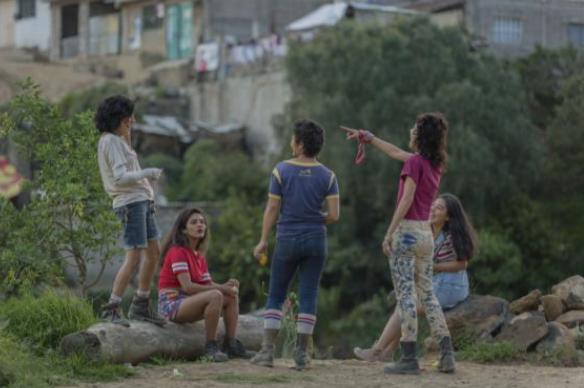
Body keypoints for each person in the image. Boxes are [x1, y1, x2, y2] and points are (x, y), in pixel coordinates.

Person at [342, 113, 455, 375]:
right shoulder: (432, 164)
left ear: (420, 135)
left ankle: (408, 358)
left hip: (406, 233)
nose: (410, 130)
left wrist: (388, 233)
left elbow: (406, 201)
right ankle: (447, 354)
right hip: (426, 235)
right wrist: (369, 139)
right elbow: (394, 152)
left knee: (406, 296)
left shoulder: (415, 164)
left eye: (414, 128)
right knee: (427, 295)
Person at [251, 119, 340, 370]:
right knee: (309, 293)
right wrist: (314, 218)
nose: (291, 143)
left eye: (293, 139)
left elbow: (272, 208)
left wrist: (262, 240)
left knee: (277, 293)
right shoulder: (328, 175)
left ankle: (267, 352)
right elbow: (334, 215)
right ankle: (302, 354)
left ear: (300, 144)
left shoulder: (281, 170)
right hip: (316, 239)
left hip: (287, 237)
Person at [353, 193, 477, 362]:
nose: (433, 210)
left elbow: (462, 264)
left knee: (405, 306)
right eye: (433, 205)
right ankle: (387, 352)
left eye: (439, 208)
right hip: (434, 282)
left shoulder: (451, 236)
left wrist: (434, 267)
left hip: (451, 286)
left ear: (448, 217)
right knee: (406, 304)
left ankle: (377, 350)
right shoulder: (425, 230)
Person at [96, 95, 165, 326]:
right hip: (130, 203)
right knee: (134, 255)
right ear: (120, 118)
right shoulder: (110, 142)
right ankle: (112, 308)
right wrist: (148, 173)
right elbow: (120, 177)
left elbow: (128, 163)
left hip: (141, 201)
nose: (132, 120)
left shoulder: (119, 139)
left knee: (153, 252)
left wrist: (127, 134)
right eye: (129, 117)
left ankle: (141, 305)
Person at [158, 207, 253, 362]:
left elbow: (207, 283)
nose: (200, 225)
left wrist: (225, 285)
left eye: (202, 222)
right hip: (171, 304)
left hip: (189, 301)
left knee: (230, 295)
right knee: (216, 295)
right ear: (183, 230)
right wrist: (220, 288)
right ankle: (210, 347)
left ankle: (231, 345)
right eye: (194, 222)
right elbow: (188, 287)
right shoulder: (177, 251)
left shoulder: (198, 255)